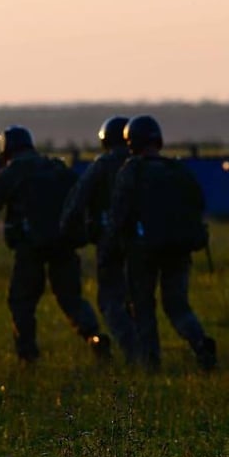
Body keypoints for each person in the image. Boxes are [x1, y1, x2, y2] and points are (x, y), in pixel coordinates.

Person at [0, 125, 110, 364]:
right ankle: (94, 337)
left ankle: (28, 355)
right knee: (71, 298)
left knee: (22, 301)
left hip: (30, 247)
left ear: (6, 151)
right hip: (64, 244)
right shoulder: (56, 167)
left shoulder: (14, 171)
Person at [105, 115, 217, 372]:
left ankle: (151, 362)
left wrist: (110, 248)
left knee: (143, 307)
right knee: (177, 306)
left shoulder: (131, 170)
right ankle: (200, 343)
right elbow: (198, 204)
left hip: (141, 252)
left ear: (131, 142)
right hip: (179, 250)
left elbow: (118, 214)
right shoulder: (177, 170)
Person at [60, 115, 141, 364]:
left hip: (110, 243)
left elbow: (77, 200)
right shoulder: (142, 164)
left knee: (110, 302)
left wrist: (68, 233)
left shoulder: (102, 165)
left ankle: (135, 355)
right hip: (142, 242)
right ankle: (148, 352)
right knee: (139, 299)